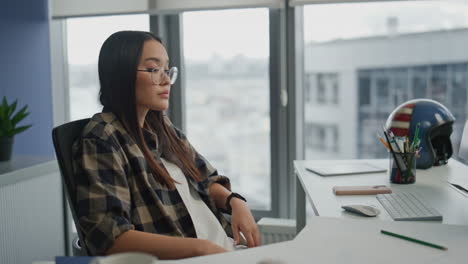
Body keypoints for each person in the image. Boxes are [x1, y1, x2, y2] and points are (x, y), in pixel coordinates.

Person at [72, 30, 260, 259]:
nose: (165, 80)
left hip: (222, 250)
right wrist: (201, 248)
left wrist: (234, 201)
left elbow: (205, 179)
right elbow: (109, 235)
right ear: (121, 75)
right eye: (153, 70)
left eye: (166, 70)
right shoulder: (102, 137)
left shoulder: (162, 127)